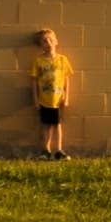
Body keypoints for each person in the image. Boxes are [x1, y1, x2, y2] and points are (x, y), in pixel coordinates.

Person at [32, 29, 73, 158]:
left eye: (50, 39)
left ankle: (59, 150)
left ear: (56, 41)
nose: (48, 43)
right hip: (44, 99)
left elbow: (66, 78)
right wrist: (36, 99)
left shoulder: (62, 59)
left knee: (57, 125)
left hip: (57, 99)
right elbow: (33, 80)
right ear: (40, 45)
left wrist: (66, 96)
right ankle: (46, 150)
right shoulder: (38, 61)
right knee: (45, 126)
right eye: (44, 41)